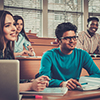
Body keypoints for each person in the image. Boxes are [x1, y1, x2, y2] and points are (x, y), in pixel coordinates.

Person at [39, 22, 100, 90]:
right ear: (58, 41)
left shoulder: (83, 54)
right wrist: (62, 83)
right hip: (56, 92)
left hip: (75, 91)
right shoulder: (48, 55)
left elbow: (97, 74)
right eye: (68, 38)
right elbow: (43, 80)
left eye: (74, 38)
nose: (72, 41)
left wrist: (80, 80)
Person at [0, 10, 50, 92]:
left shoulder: (7, 52)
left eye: (13, 24)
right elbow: (2, 88)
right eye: (7, 25)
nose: (14, 28)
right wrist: (30, 86)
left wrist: (31, 81)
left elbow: (8, 81)